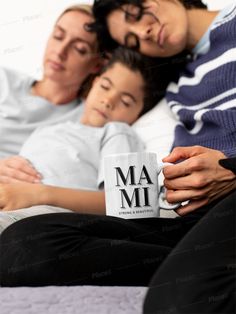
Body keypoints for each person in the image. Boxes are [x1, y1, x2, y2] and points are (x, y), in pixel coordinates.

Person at [0, 1, 235, 313]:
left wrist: (231, 170)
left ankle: (192, 277)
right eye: (132, 40)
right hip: (186, 218)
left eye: (135, 14)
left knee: (180, 299)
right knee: (25, 245)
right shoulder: (176, 83)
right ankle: (192, 268)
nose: (144, 33)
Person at [0, 46, 168, 233]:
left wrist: (40, 195)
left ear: (139, 113)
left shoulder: (117, 132)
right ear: (94, 84)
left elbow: (130, 205)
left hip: (45, 214)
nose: (108, 100)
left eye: (126, 102)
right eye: (105, 87)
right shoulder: (50, 128)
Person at [0, 4, 101, 184]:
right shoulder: (3, 80)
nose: (60, 52)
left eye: (79, 48)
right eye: (58, 36)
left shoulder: (89, 119)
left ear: (97, 65)